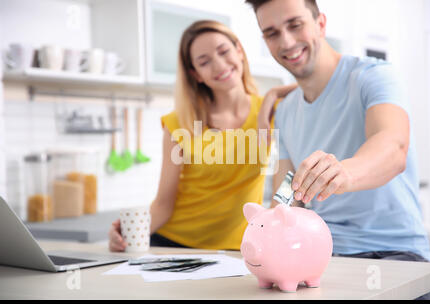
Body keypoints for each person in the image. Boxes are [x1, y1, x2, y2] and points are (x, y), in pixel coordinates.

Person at [246, 0, 430, 268]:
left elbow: (393, 147)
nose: (286, 42)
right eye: (272, 33)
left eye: (295, 25)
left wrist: (343, 173)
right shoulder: (285, 111)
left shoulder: (374, 76)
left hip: (392, 254)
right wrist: (270, 223)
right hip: (322, 255)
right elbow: (288, 187)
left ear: (320, 24)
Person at [109, 20, 296, 251]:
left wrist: (274, 93)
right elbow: (163, 204)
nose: (219, 65)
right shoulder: (178, 123)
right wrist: (126, 234)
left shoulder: (271, 110)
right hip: (173, 245)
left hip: (241, 248)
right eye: (204, 62)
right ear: (195, 74)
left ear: (239, 52)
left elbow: (289, 179)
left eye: (224, 51)